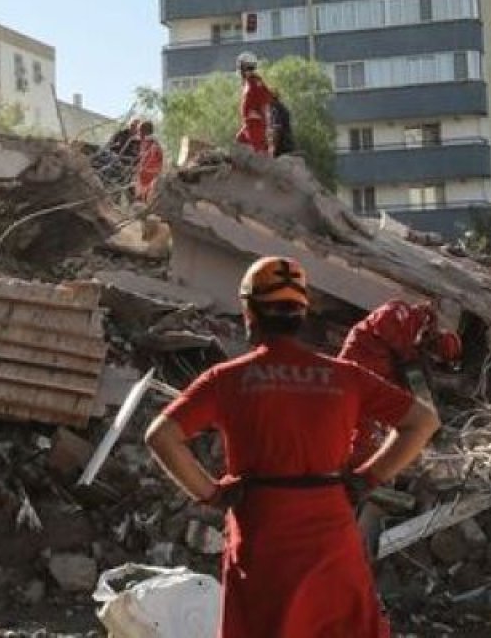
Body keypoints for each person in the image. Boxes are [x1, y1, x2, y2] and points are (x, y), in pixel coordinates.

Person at [145, 256, 439, 638]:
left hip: (263, 531)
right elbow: (423, 421)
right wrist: (368, 478)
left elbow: (161, 436)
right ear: (302, 313)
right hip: (332, 531)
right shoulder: (344, 376)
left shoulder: (227, 378)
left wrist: (212, 494)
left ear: (249, 312)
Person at [338, 300, 461, 469]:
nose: (431, 356)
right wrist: (406, 353)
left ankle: (356, 464)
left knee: (368, 422)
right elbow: (385, 325)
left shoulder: (414, 351)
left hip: (378, 369)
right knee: (348, 409)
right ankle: (343, 461)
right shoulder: (402, 312)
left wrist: (428, 415)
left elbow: (414, 389)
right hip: (361, 357)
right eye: (435, 352)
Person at [235, 51, 272, 155]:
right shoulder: (249, 82)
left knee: (259, 152)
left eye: (250, 68)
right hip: (248, 124)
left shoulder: (256, 83)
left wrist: (258, 113)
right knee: (239, 141)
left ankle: (266, 163)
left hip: (255, 124)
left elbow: (267, 98)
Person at [134, 120, 163, 203]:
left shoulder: (150, 143)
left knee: (143, 198)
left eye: (140, 130)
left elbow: (150, 159)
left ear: (144, 131)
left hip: (148, 175)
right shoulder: (151, 142)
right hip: (148, 175)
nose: (138, 133)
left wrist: (141, 168)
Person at [269, 90, 294, 157]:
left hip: (282, 148)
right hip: (288, 145)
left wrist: (273, 151)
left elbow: (277, 130)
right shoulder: (283, 108)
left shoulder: (275, 109)